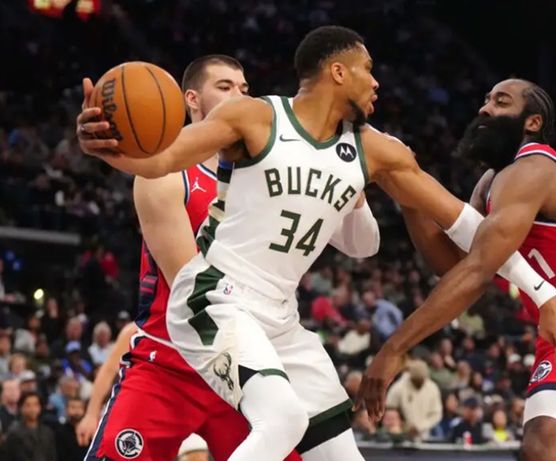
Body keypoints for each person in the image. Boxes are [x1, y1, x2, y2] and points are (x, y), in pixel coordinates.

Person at [80, 26, 556, 460]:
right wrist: (104, 146)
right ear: (338, 72)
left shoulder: (375, 150)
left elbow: (468, 225)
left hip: (280, 320)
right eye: (368, 70)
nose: (376, 82)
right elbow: (161, 160)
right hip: (214, 296)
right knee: (283, 419)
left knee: (340, 453)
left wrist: (546, 295)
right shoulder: (256, 117)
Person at [76, 52, 379, 461]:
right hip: (173, 361)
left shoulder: (268, 170)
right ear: (191, 100)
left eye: (244, 88)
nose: (240, 95)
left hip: (242, 364)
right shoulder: (164, 177)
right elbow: (192, 287)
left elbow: (356, 241)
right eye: (224, 87)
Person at [361, 78, 556, 460]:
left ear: (532, 122)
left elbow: (477, 271)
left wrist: (395, 348)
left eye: (501, 102)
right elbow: (451, 267)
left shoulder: (535, 168)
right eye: (486, 99)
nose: (485, 108)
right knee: (540, 447)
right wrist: (410, 198)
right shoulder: (489, 182)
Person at [3, 391, 57, 461]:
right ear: (21, 408)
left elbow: (52, 456)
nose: (32, 409)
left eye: (36, 405)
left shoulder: (47, 432)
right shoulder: (14, 433)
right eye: (28, 405)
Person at [54, 396, 89, 461]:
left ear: (85, 410)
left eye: (80, 407)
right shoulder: (60, 432)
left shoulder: (90, 431)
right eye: (73, 407)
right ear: (66, 410)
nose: (76, 411)